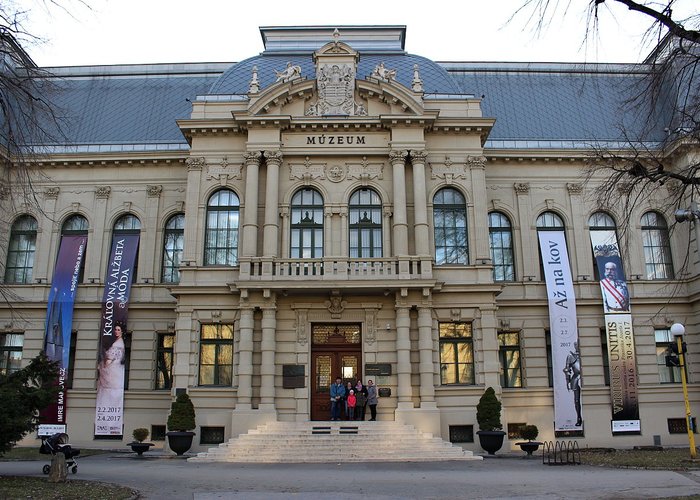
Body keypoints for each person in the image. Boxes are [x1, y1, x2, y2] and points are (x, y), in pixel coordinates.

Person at [96, 323, 126, 408]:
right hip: (117, 369)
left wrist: (104, 367)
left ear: (122, 332)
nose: (116, 331)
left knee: (108, 390)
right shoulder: (119, 342)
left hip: (112, 370)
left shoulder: (117, 344)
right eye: (115, 329)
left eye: (118, 330)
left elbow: (109, 359)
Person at [563, 341, 583, 426]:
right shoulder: (571, 356)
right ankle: (578, 417)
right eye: (576, 344)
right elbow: (567, 369)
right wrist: (567, 380)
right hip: (575, 378)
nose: (577, 345)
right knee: (577, 400)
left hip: (585, 377)